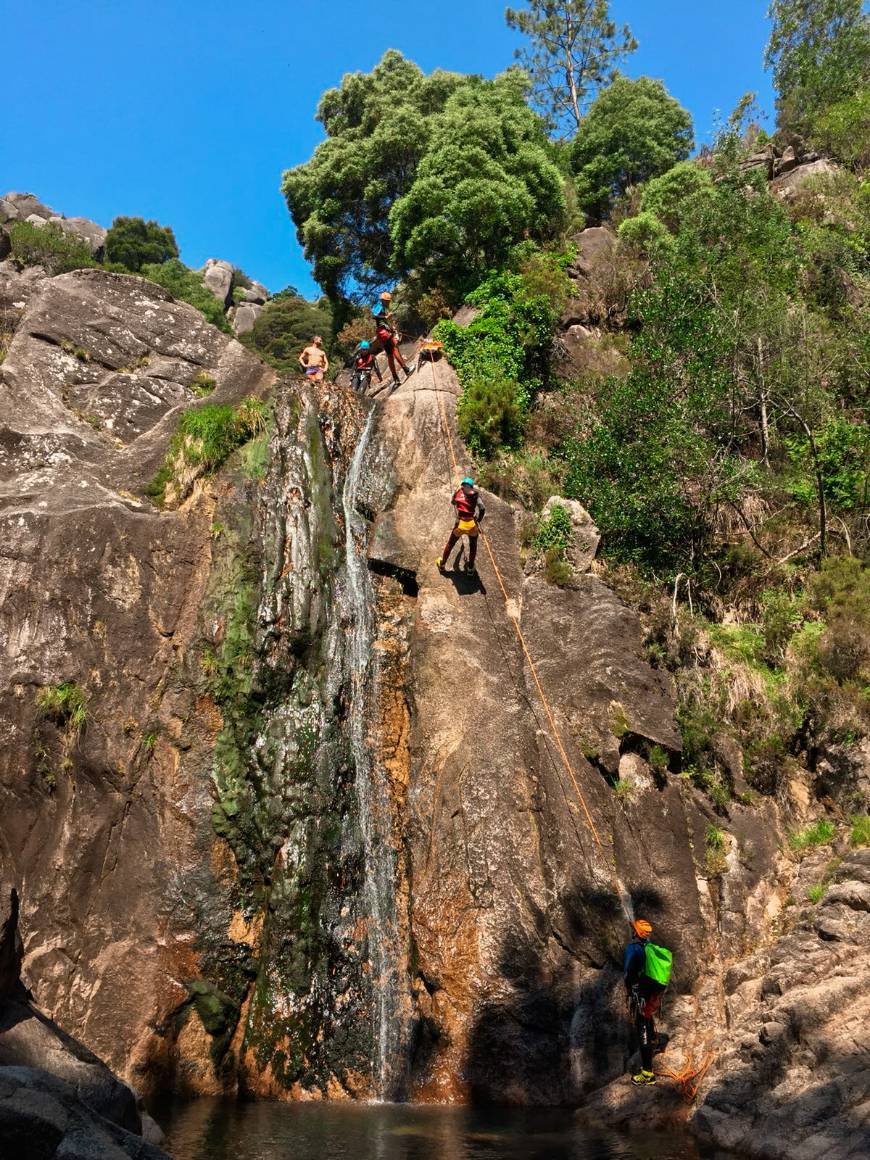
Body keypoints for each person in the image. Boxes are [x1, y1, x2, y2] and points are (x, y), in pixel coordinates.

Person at [623, 918, 667, 1086]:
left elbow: (627, 971)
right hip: (650, 992)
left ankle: (647, 1073)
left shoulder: (633, 949)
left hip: (639, 993)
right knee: (647, 1018)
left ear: (636, 933)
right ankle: (654, 1040)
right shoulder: (650, 948)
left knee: (642, 1029)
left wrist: (629, 988)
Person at [436, 477, 486, 574]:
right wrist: (478, 519)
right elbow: (482, 508)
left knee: (450, 544)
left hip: (460, 524)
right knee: (473, 545)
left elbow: (453, 502)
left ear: (463, 485)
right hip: (471, 524)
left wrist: (456, 494)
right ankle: (470, 569)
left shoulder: (458, 492)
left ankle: (442, 565)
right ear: (471, 486)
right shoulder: (475, 495)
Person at [372, 291, 414, 385]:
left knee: (390, 356)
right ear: (383, 300)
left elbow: (381, 321)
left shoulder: (382, 307)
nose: (389, 303)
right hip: (383, 333)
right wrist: (386, 316)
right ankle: (406, 370)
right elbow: (374, 316)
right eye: (387, 301)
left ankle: (396, 379)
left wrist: (391, 328)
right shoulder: (379, 306)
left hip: (382, 333)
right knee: (395, 349)